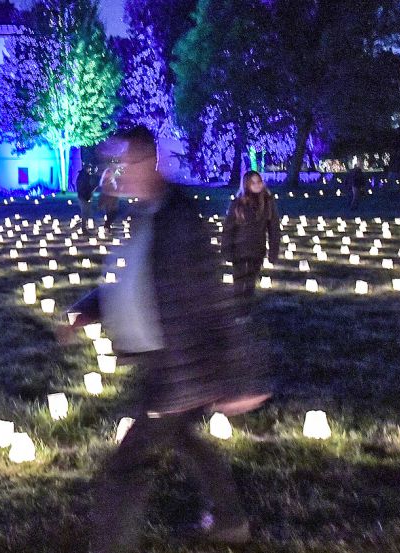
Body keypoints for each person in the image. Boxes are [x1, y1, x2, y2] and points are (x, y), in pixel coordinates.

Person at [60, 126, 270, 553]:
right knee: (185, 440)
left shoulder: (178, 221)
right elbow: (126, 282)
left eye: (122, 164)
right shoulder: (143, 215)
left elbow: (211, 301)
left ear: (147, 161)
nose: (114, 174)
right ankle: (231, 520)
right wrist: (83, 311)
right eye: (111, 166)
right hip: (159, 364)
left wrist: (241, 378)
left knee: (125, 468)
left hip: (177, 372)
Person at [222, 170, 280, 300]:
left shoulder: (268, 202)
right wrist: (226, 249)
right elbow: (228, 228)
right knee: (239, 283)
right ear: (246, 184)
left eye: (259, 182)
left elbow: (274, 228)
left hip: (257, 250)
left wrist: (273, 252)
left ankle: (246, 312)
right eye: (253, 182)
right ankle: (237, 311)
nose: (257, 185)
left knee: (250, 284)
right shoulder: (238, 203)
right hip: (239, 250)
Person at [76, 163, 99, 230]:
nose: (90, 169)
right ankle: (83, 227)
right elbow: (84, 187)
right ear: (86, 168)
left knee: (86, 212)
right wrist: (91, 189)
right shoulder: (84, 176)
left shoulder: (85, 175)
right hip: (83, 196)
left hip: (85, 196)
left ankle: (83, 226)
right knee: (85, 212)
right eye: (89, 168)